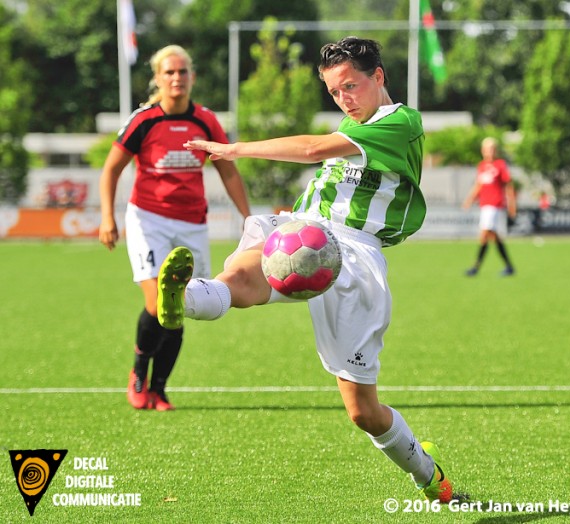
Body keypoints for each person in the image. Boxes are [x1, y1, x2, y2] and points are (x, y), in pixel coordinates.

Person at [155, 36, 452, 501]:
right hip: (305, 229)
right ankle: (185, 298)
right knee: (240, 277)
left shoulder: (400, 121)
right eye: (334, 92)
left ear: (379, 77)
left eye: (350, 86)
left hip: (353, 255)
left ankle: (427, 473)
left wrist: (236, 149)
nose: (343, 99)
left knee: (363, 412)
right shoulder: (352, 122)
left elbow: (313, 149)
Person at [98, 45, 251, 411]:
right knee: (156, 303)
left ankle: (160, 388)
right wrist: (108, 217)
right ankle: (139, 373)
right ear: (157, 78)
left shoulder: (206, 121)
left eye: (182, 72)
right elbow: (112, 169)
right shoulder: (144, 120)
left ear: (192, 77)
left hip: (192, 224)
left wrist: (248, 219)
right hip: (148, 218)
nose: (176, 78)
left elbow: (228, 170)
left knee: (179, 307)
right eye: (169, 72)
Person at [462, 137, 517, 276]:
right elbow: (479, 185)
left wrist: (512, 204)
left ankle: (475, 267)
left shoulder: (500, 165)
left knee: (485, 233)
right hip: (485, 205)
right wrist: (470, 199)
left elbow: (508, 185)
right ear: (482, 151)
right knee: (494, 237)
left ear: (496, 150)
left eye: (492, 149)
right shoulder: (481, 166)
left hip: (495, 204)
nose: (490, 152)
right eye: (487, 149)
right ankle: (509, 266)